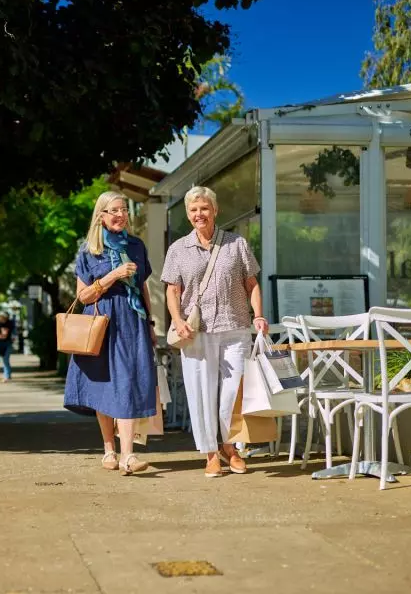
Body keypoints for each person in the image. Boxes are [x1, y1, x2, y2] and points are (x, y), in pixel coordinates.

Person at [161, 186, 268, 478]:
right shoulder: (178, 249)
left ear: (215, 210)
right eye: (194, 210)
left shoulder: (236, 243)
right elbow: (172, 290)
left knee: (232, 393)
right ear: (188, 214)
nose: (199, 214)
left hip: (234, 326)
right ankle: (211, 453)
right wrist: (177, 320)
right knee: (201, 393)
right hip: (196, 331)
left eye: (204, 209)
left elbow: (252, 284)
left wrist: (258, 315)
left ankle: (229, 446)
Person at [64, 191, 157, 475]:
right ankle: (109, 450)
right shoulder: (88, 250)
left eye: (124, 210)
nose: (120, 215)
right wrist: (111, 276)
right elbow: (83, 296)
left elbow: (143, 288)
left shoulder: (137, 245)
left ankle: (128, 455)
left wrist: (151, 324)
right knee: (104, 384)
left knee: (128, 383)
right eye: (114, 210)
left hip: (131, 321)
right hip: (101, 321)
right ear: (101, 216)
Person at [0, 311, 15, 382]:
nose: (0, 318)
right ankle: (7, 375)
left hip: (7, 343)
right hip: (1, 343)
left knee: (5, 360)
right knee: (5, 360)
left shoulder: (9, 324)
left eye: (2, 317)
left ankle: (7, 376)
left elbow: (4, 335)